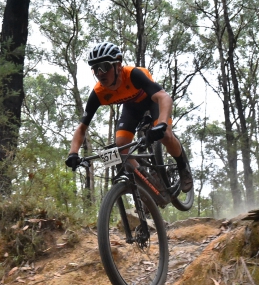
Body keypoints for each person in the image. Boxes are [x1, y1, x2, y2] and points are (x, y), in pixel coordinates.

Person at [65, 41, 193, 193]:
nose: (100, 73)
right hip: (132, 108)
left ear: (118, 65)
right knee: (121, 147)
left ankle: (182, 167)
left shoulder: (133, 74)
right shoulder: (99, 93)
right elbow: (82, 127)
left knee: (165, 136)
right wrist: (73, 153)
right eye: (95, 69)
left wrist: (162, 124)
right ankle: (148, 181)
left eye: (104, 66)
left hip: (152, 102)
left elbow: (164, 97)